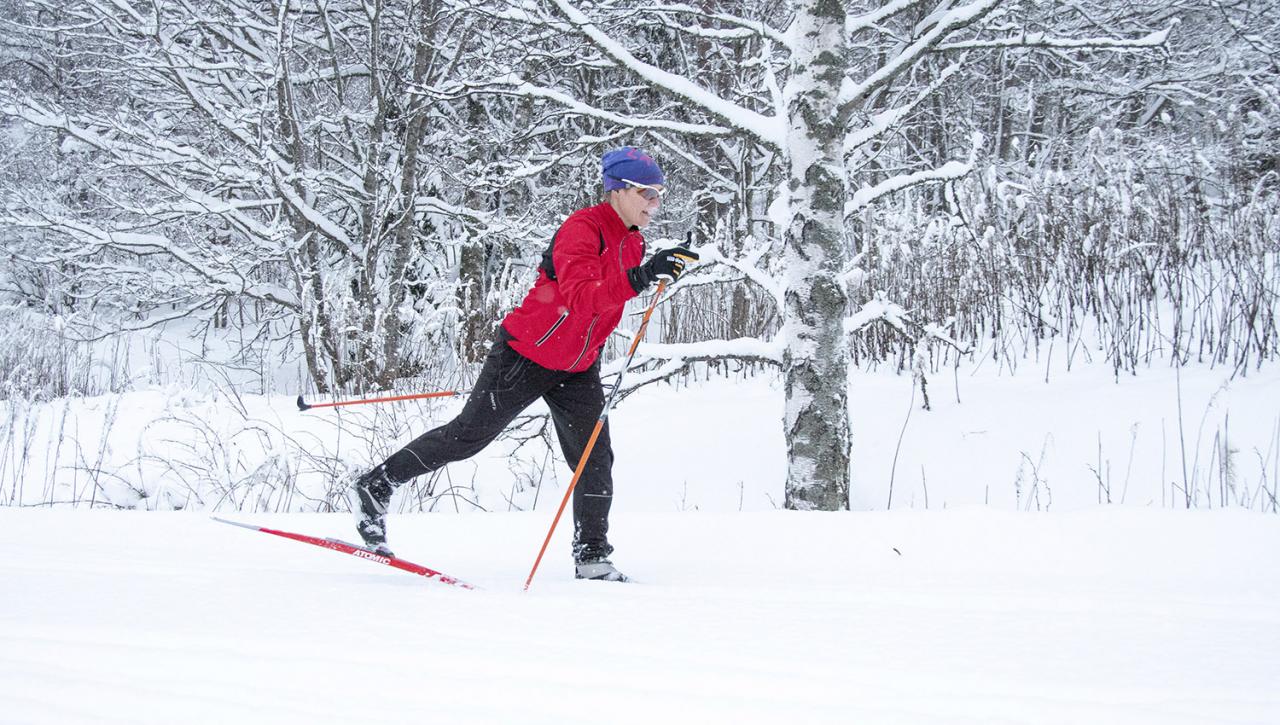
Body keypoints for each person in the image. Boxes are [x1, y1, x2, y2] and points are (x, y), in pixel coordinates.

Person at [350, 146, 698, 582]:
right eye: (648, 193)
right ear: (619, 190)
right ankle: (377, 484)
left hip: (576, 366)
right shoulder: (582, 229)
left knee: (594, 457)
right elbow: (581, 296)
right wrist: (643, 277)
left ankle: (591, 555)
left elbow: (610, 295)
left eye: (659, 195)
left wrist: (656, 272)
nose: (655, 204)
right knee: (467, 438)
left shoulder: (633, 241)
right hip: (527, 354)